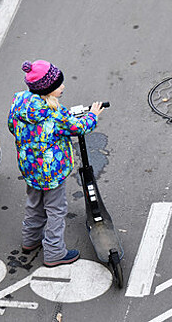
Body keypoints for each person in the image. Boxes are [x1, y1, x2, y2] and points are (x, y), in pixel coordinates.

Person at [8, 60, 104, 267]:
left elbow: (11, 126)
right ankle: (54, 252)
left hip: (30, 168)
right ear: (48, 90)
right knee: (56, 210)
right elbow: (77, 127)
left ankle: (30, 240)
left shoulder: (19, 102)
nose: (63, 87)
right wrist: (93, 116)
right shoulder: (53, 114)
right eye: (59, 85)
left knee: (34, 204)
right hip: (52, 171)